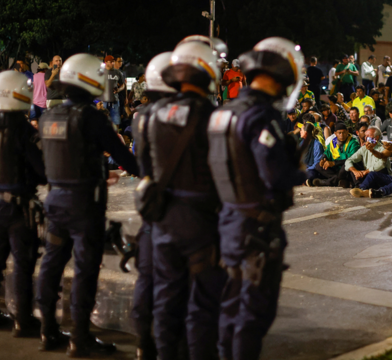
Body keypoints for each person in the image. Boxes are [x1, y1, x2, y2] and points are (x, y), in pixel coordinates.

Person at [207, 37, 306, 360]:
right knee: (253, 314)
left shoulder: (224, 112)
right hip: (256, 228)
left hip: (227, 222)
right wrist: (297, 168)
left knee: (230, 306)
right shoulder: (261, 116)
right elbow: (275, 175)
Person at [36, 53, 139, 356]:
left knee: (52, 264)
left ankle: (47, 331)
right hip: (84, 206)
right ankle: (79, 337)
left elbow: (60, 160)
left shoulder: (48, 116)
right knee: (84, 269)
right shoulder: (92, 117)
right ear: (89, 80)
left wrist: (97, 173)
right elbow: (123, 157)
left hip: (55, 202)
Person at [135, 41, 226, 360]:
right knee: (202, 307)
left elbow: (145, 169)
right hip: (200, 222)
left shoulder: (151, 115)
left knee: (166, 300)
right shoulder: (214, 117)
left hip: (162, 223)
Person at [0, 71, 46, 336]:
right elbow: (41, 171)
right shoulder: (21, 128)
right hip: (18, 207)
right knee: (22, 262)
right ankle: (22, 320)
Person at [129, 51, 178, 360]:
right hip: (181, 209)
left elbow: (140, 162)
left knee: (146, 278)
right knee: (176, 282)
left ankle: (142, 344)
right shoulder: (187, 114)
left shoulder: (140, 117)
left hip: (151, 206)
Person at [351, 126, 392, 198]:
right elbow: (381, 155)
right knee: (373, 174)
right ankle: (361, 190)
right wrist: (371, 150)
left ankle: (381, 192)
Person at [307, 123, 360, 187]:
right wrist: (323, 159)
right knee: (318, 166)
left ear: (347, 132)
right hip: (336, 170)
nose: (342, 135)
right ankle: (339, 180)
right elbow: (327, 152)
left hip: (344, 168)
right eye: (339, 133)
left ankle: (327, 182)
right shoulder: (333, 142)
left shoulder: (353, 142)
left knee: (346, 166)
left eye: (344, 132)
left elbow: (352, 159)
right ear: (335, 133)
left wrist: (334, 163)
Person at [102, 55, 123, 125]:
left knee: (116, 121)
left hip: (115, 100)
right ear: (106, 62)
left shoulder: (118, 72)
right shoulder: (100, 72)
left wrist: (118, 89)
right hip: (103, 100)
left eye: (113, 62)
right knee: (102, 121)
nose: (112, 63)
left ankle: (116, 135)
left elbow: (123, 85)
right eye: (111, 62)